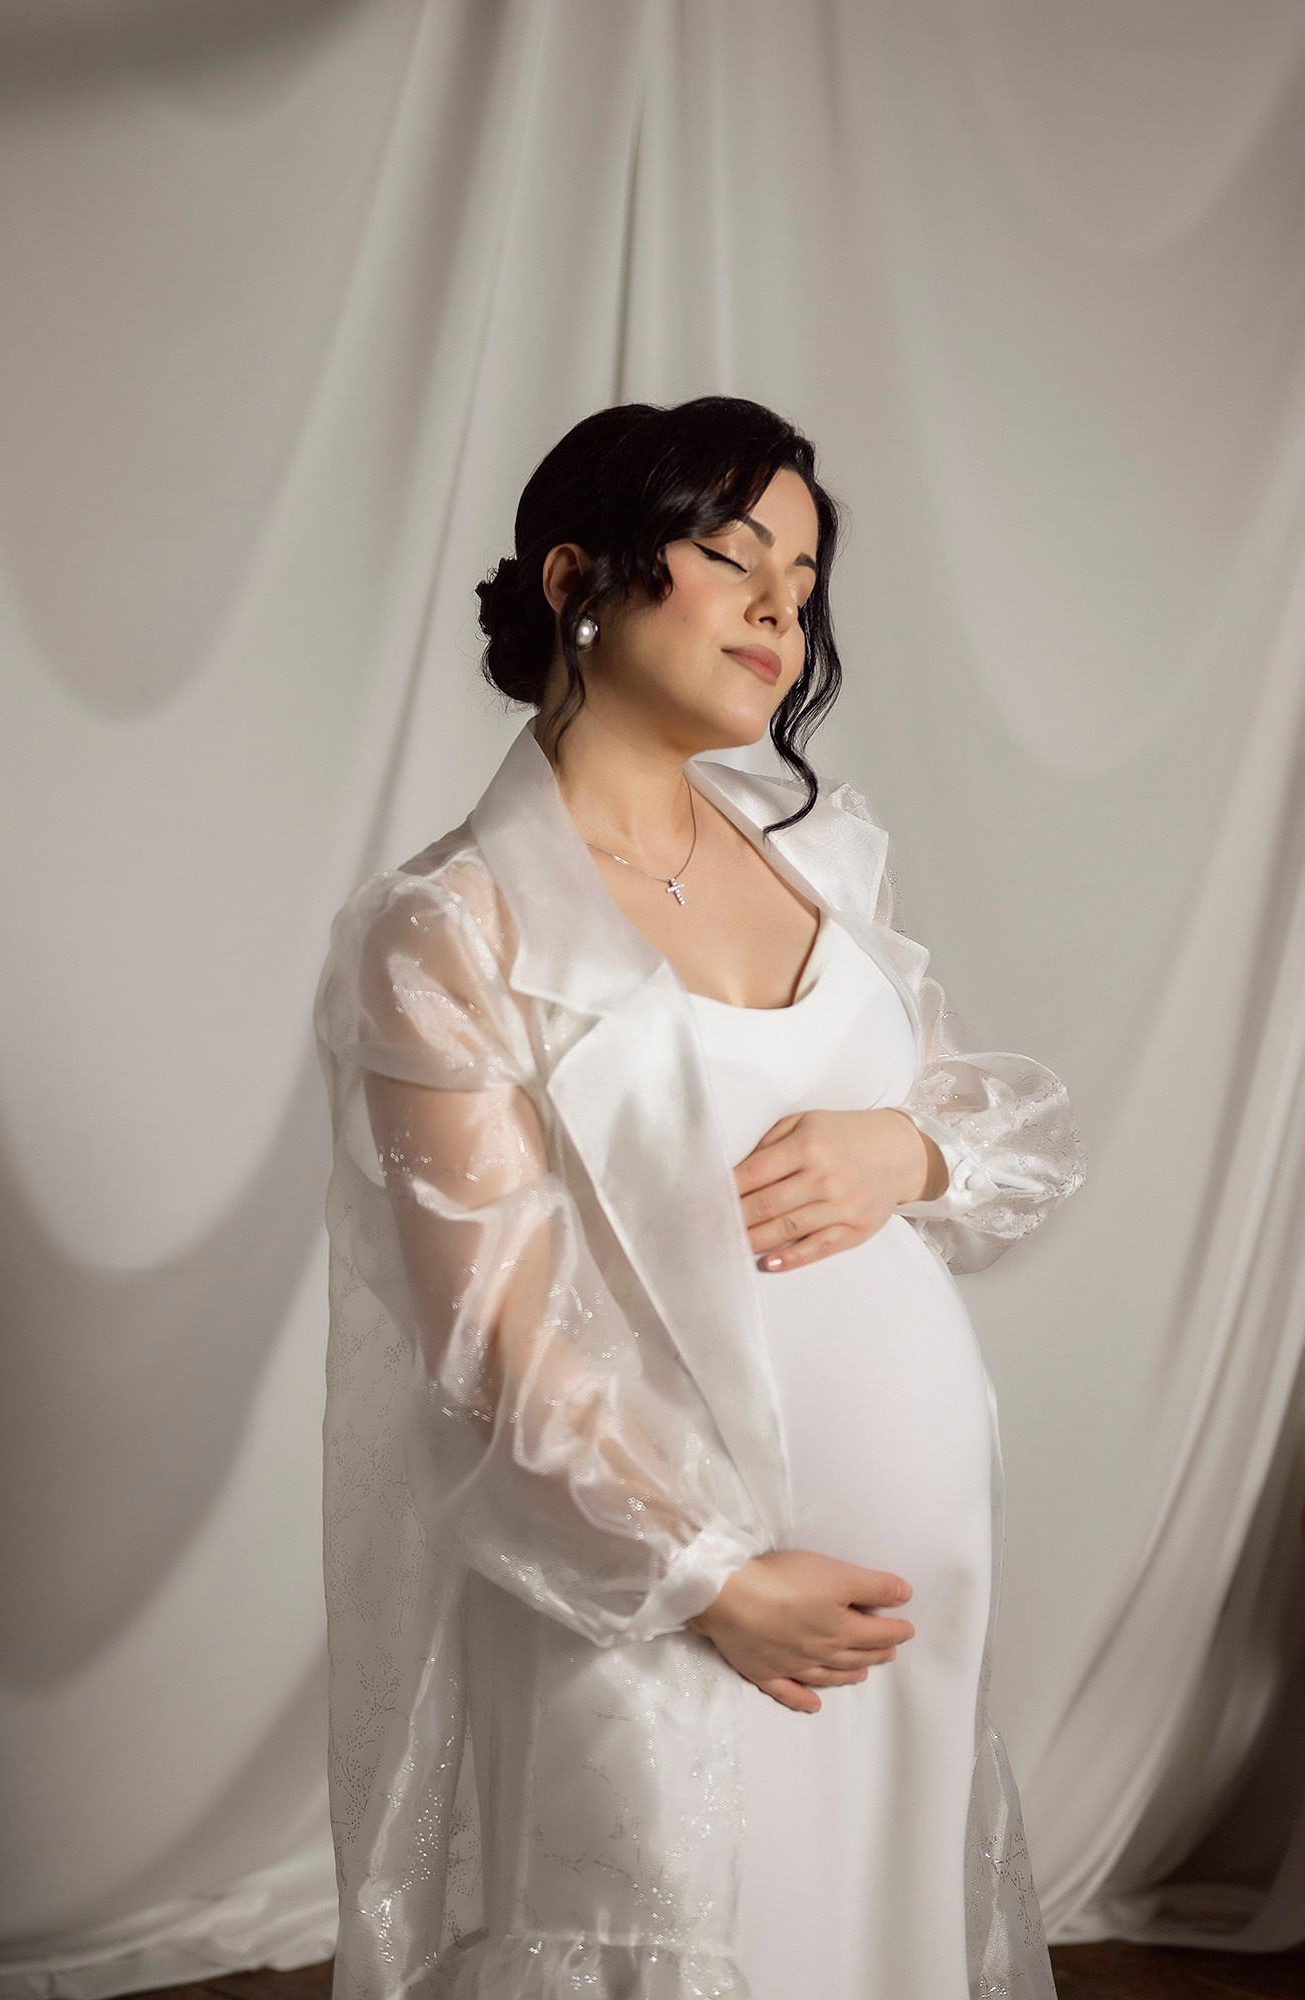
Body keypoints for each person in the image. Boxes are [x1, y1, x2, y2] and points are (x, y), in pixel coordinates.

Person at [312, 395, 1087, 2000]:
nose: (780, 611)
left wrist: (909, 1153)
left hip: (907, 1598)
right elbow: (494, 1339)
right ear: (576, 579)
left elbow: (990, 1137)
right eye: (734, 557)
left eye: (803, 579)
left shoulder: (826, 860)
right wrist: (716, 1581)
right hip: (652, 1595)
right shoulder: (450, 927)